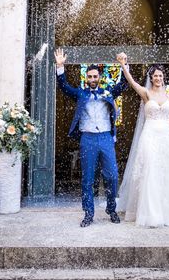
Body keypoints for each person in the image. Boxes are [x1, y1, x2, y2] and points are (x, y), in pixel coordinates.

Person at [115, 54, 169, 227]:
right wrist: (124, 65)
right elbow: (132, 82)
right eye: (155, 75)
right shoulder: (146, 93)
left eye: (160, 76)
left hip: (166, 138)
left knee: (166, 171)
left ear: (163, 78)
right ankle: (151, 214)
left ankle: (167, 212)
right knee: (150, 170)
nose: (158, 78)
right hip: (149, 136)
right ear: (151, 77)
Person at [54, 48, 128, 227]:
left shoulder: (108, 92)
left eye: (95, 76)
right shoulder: (81, 93)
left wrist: (124, 64)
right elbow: (64, 86)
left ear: (100, 77)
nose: (93, 79)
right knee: (87, 178)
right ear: (86, 78)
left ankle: (111, 209)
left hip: (105, 138)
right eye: (90, 77)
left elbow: (124, 84)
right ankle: (88, 213)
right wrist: (60, 66)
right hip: (87, 138)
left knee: (112, 176)